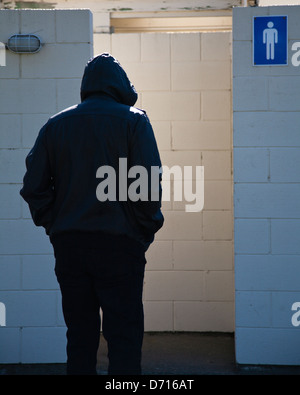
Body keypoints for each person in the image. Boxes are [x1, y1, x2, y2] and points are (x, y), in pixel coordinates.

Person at [20, 53, 164, 375]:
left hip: (71, 247)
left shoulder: (56, 125)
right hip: (120, 246)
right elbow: (149, 187)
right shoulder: (134, 120)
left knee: (80, 338)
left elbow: (34, 187)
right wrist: (142, 232)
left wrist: (56, 226)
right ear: (120, 85)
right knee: (124, 338)